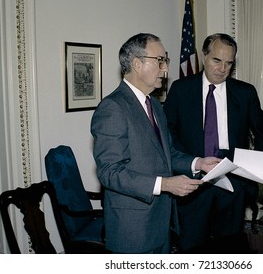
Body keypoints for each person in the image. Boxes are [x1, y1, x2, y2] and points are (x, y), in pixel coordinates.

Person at [90, 33, 220, 254]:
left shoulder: (155, 105)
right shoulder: (113, 108)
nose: (165, 68)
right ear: (137, 64)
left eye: (165, 61)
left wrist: (198, 163)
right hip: (133, 228)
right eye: (160, 61)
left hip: (161, 223)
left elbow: (166, 153)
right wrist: (166, 184)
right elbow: (110, 172)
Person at [163, 33, 263, 253]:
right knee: (192, 247)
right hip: (193, 182)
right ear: (204, 57)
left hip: (233, 183)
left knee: (230, 248)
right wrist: (190, 162)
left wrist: (251, 174)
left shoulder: (245, 93)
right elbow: (168, 133)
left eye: (229, 63)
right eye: (217, 60)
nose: (223, 68)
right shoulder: (180, 89)